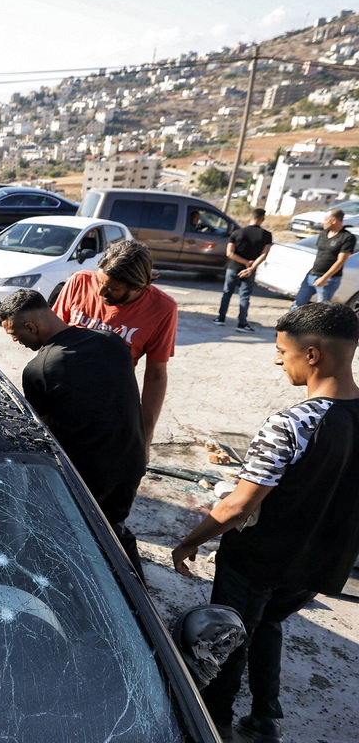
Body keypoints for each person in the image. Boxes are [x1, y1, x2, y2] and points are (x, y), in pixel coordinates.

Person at [172, 302, 359, 742]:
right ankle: (264, 716)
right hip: (316, 565)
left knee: (228, 638)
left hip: (255, 560)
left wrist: (189, 541)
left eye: (282, 351)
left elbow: (239, 506)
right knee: (269, 623)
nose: (277, 360)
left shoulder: (294, 423)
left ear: (312, 354)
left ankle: (213, 721)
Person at [0, 290, 147, 576]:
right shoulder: (113, 343)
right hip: (131, 462)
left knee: (75, 540)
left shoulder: (39, 369)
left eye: (14, 334)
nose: (16, 341)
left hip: (87, 476)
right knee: (113, 527)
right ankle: (137, 592)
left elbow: (42, 437)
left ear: (31, 327)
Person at [52, 239, 177, 450]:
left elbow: (156, 375)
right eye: (100, 282)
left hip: (109, 411)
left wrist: (145, 435)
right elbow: (50, 340)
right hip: (60, 399)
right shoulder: (80, 282)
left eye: (113, 289)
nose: (101, 293)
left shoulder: (162, 308)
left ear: (139, 286)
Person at [213, 208, 272, 333]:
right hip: (249, 270)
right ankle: (242, 323)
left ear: (250, 218)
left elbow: (230, 253)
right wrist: (250, 267)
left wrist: (243, 261)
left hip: (233, 267)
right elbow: (264, 255)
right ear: (262, 220)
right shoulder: (267, 235)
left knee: (227, 292)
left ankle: (221, 318)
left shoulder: (237, 233)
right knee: (244, 296)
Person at [292, 208, 355, 308]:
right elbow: (321, 254)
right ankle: (289, 323)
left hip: (329, 279)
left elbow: (341, 261)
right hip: (312, 274)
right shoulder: (324, 233)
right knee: (298, 304)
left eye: (325, 220)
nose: (323, 223)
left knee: (321, 308)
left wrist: (325, 278)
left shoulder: (347, 237)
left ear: (334, 220)